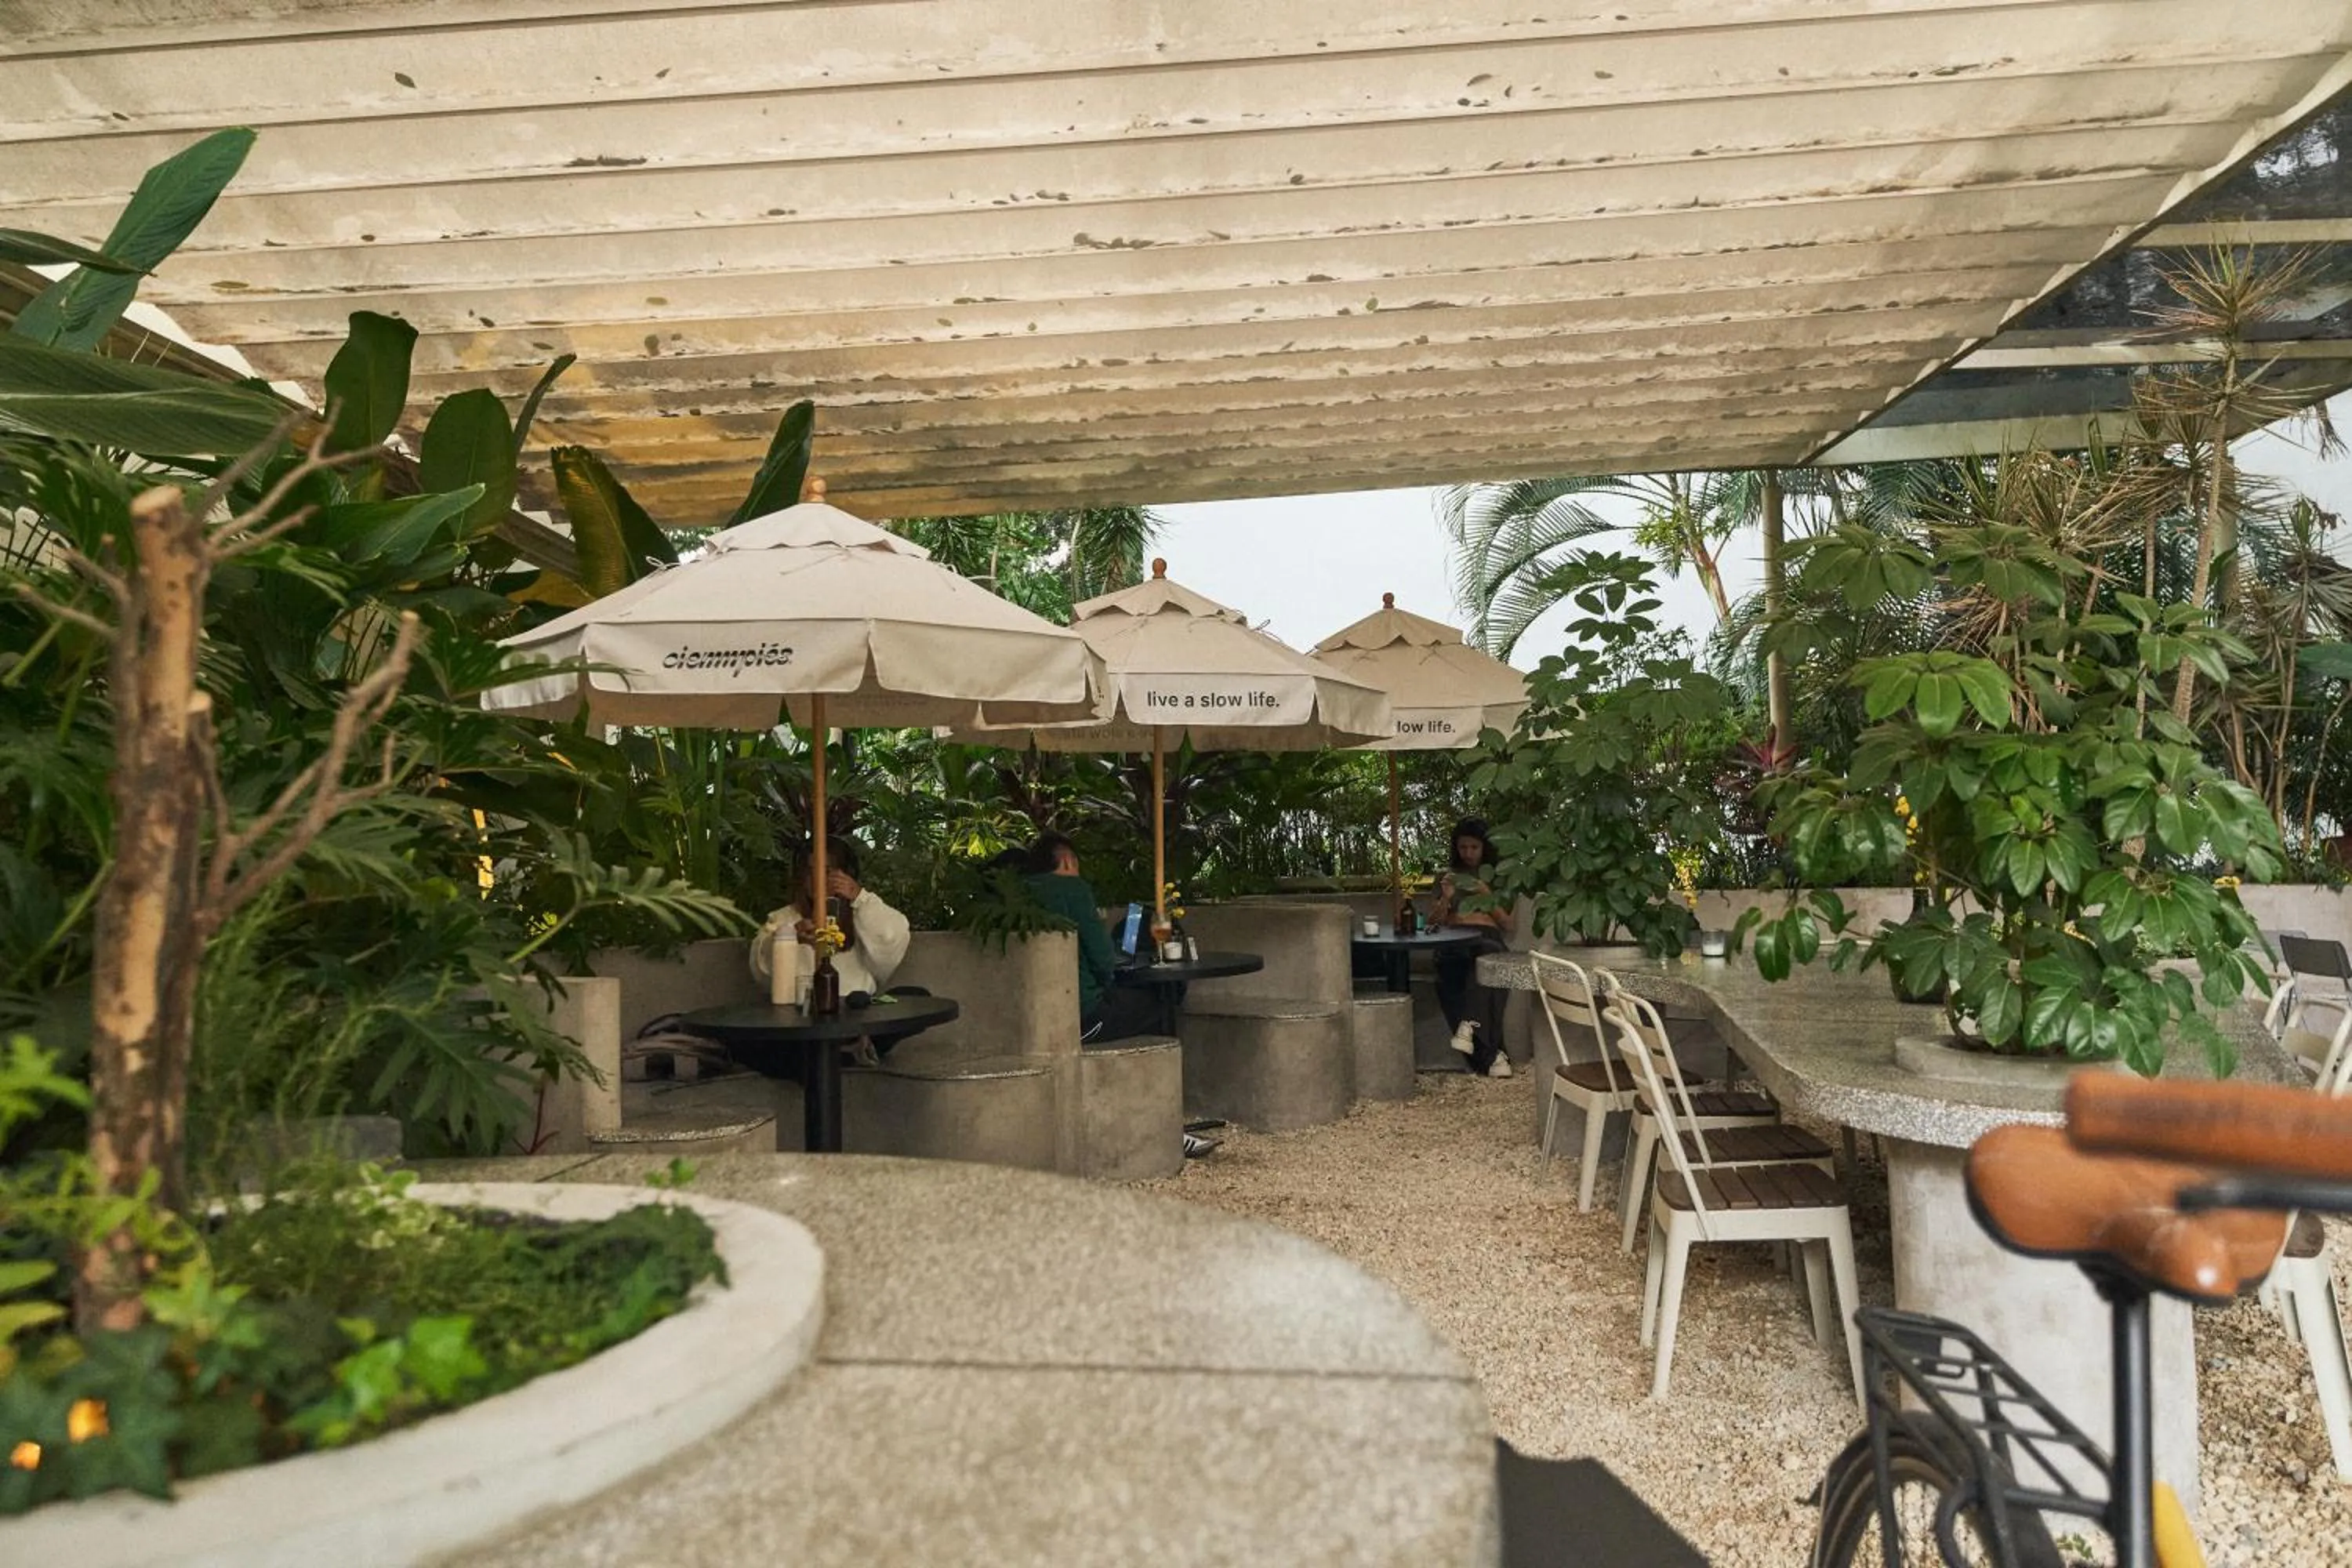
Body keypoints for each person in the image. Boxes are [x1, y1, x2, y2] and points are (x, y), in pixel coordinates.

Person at [1022, 832, 1162, 1045]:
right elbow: (1104, 960)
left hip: (1034, 1021)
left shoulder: (1018, 893)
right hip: (1085, 1018)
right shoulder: (1072, 889)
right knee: (1162, 1001)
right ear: (1068, 861)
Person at [749, 837, 912, 1000]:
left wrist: (858, 896)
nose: (817, 879)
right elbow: (761, 967)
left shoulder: (862, 912)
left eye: (826, 871)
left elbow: (890, 937)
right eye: (810, 872)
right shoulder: (783, 918)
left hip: (855, 1014)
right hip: (799, 1015)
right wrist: (789, 937)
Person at [1432, 817, 1515, 1078]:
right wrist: (1445, 900)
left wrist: (1484, 893)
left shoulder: (1499, 877)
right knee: (1454, 971)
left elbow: (1508, 924)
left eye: (1473, 848)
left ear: (1485, 848)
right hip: (1452, 940)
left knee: (1487, 959)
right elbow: (1434, 922)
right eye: (1462, 847)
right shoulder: (1447, 877)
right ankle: (1494, 1057)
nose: (1467, 853)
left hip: (1487, 938)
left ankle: (1468, 1024)